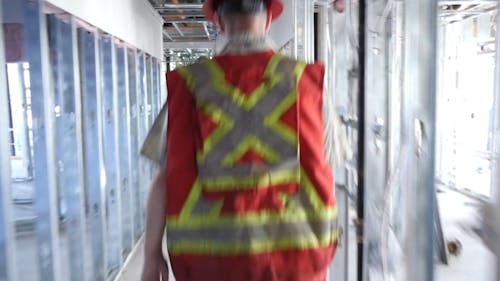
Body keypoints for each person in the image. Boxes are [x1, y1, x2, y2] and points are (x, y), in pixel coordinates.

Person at [141, 0, 344, 280]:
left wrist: (151, 255)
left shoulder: (187, 87)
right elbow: (327, 170)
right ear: (269, 18)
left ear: (219, 22)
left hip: (209, 267)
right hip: (298, 265)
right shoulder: (307, 85)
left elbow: (164, 180)